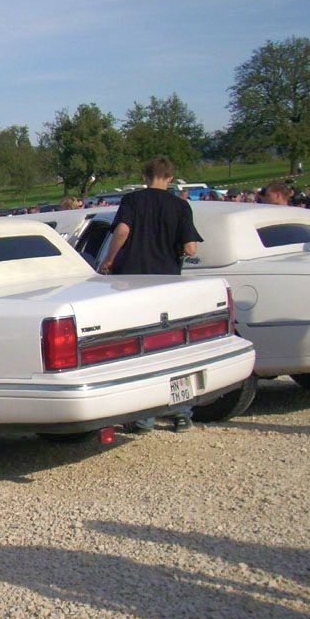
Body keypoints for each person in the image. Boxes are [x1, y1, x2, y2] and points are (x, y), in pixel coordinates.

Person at [98, 156, 202, 433]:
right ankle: (181, 413)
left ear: (145, 176)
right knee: (173, 347)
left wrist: (109, 260)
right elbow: (191, 248)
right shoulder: (181, 205)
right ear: (170, 178)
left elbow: (122, 231)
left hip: (132, 282)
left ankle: (144, 416)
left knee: (140, 348)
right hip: (166, 283)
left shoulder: (132, 201)